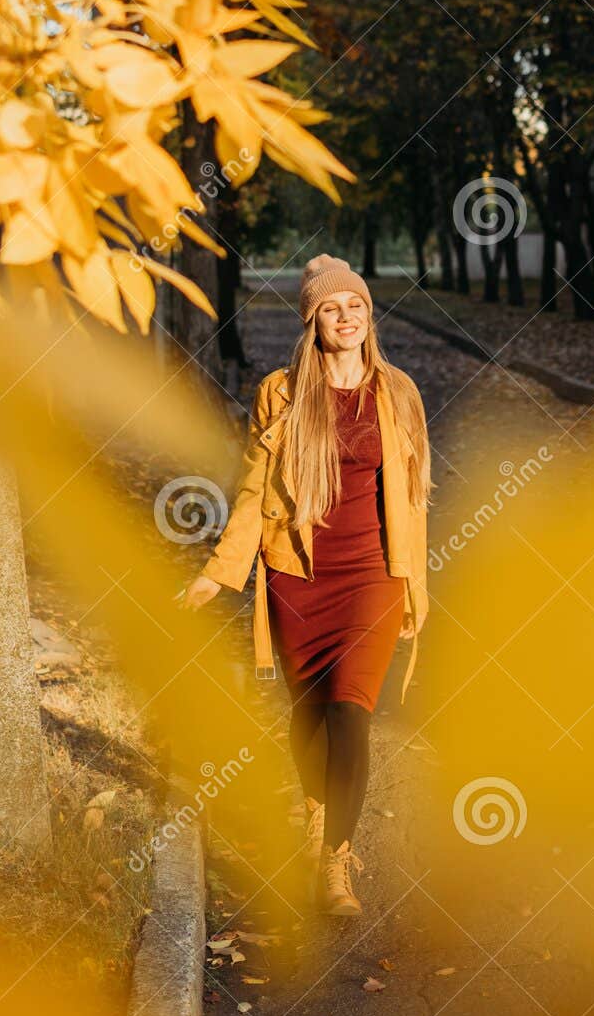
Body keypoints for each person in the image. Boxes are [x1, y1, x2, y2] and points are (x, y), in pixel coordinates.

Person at [182, 255, 431, 917]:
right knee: (308, 711)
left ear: (367, 315)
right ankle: (318, 815)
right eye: (330, 308)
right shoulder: (282, 391)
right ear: (312, 321)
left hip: (372, 574)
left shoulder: (399, 392)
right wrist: (218, 572)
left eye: (354, 305)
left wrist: (413, 589)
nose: (344, 317)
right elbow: (254, 489)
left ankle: (336, 865)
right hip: (298, 571)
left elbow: (413, 501)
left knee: (351, 710)